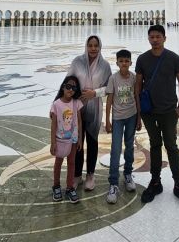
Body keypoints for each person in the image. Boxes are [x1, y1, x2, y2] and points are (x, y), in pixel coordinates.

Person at [135, 24, 179, 208]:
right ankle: (155, 182)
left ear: (164, 38)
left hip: (169, 111)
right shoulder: (142, 59)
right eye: (151, 37)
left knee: (171, 146)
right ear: (148, 39)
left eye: (158, 36)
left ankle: (178, 184)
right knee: (154, 145)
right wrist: (139, 111)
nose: (155, 40)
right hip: (149, 112)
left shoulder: (174, 58)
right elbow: (137, 86)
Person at [68, 34, 112, 191]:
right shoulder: (77, 62)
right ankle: (77, 175)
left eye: (96, 46)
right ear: (86, 46)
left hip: (95, 108)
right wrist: (57, 104)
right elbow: (68, 82)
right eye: (90, 45)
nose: (93, 48)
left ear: (100, 47)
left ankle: (90, 175)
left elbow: (109, 88)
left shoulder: (105, 66)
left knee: (92, 142)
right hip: (77, 108)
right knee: (77, 141)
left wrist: (94, 93)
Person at [104, 49, 141, 204]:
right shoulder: (113, 79)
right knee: (116, 149)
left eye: (127, 61)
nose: (124, 63)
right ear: (117, 62)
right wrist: (107, 120)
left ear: (130, 63)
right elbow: (110, 100)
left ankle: (127, 174)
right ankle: (113, 183)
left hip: (132, 116)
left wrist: (139, 118)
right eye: (121, 61)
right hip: (118, 118)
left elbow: (137, 96)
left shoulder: (133, 78)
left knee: (130, 146)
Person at [50, 75, 84, 203]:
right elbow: (53, 125)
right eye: (68, 86)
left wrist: (80, 139)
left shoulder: (76, 103)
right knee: (58, 163)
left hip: (73, 140)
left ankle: (70, 188)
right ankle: (56, 186)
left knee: (71, 163)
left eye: (74, 88)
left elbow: (79, 121)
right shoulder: (56, 104)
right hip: (60, 140)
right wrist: (53, 142)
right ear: (63, 87)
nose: (70, 90)